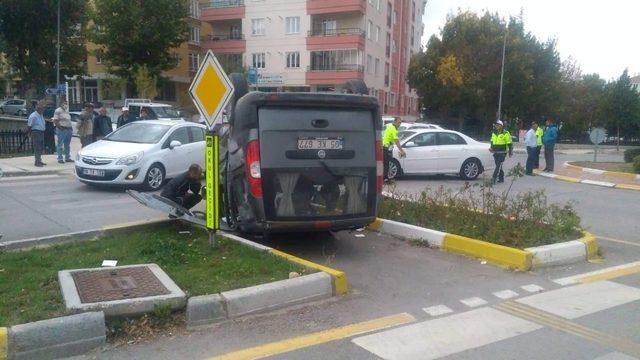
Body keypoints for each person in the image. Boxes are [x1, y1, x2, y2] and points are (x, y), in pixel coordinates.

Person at [489, 120, 513, 184]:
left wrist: (510, 152)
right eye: (496, 125)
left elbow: (509, 143)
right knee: (498, 165)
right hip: (495, 152)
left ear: (501, 126)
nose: (497, 126)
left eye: (498, 125)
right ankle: (501, 178)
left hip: (502, 152)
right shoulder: (494, 133)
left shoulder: (505, 133)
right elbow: (492, 141)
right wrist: (491, 147)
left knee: (498, 165)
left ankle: (494, 178)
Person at [52, 98, 73, 164]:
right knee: (60, 144)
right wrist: (60, 128)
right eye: (64, 103)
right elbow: (55, 120)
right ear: (61, 104)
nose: (66, 104)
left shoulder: (66, 111)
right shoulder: (58, 111)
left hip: (69, 129)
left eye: (66, 103)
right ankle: (60, 158)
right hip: (62, 129)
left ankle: (67, 157)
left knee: (67, 144)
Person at [27, 101, 46, 167]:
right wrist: (29, 133)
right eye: (42, 109)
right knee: (37, 147)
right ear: (38, 109)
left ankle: (39, 160)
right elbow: (29, 125)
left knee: (40, 147)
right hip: (36, 132)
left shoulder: (41, 115)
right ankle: (37, 162)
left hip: (41, 132)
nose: (43, 110)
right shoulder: (33, 116)